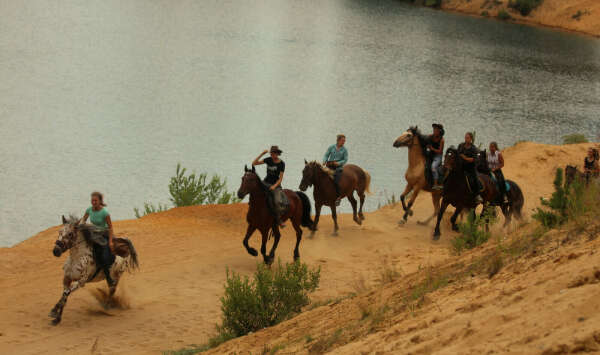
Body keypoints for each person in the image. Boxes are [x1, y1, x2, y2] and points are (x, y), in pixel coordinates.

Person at [80, 192, 116, 286]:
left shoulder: (105, 213)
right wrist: (81, 225)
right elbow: (83, 220)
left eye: (95, 200)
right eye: (92, 200)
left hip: (104, 235)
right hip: (93, 235)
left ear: (100, 201)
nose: (94, 202)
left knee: (103, 257)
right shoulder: (89, 210)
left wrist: (111, 241)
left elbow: (110, 227)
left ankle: (109, 279)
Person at [253, 146, 286, 227]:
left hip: (276, 185)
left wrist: (274, 186)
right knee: (256, 192)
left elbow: (280, 179)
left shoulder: (282, 164)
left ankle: (279, 219)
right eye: (271, 153)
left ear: (277, 154)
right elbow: (254, 163)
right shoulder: (268, 159)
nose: (272, 154)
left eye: (274, 153)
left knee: (277, 201)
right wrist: (262, 154)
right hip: (266, 182)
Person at [323, 134, 348, 206]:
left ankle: (338, 197)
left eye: (344, 141)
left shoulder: (345, 150)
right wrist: (324, 160)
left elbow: (345, 159)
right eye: (342, 140)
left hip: (338, 168)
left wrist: (338, 163)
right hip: (329, 165)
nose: (344, 142)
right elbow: (326, 155)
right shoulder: (331, 147)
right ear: (338, 140)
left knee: (336, 180)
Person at [458, 132, 483, 204]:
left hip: (470, 168)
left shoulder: (473, 148)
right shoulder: (461, 146)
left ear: (471, 139)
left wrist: (464, 157)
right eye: (465, 137)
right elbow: (458, 154)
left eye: (468, 138)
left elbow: (473, 159)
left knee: (474, 179)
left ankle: (477, 195)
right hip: (461, 167)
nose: (466, 139)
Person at [427, 124, 445, 190]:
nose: (434, 131)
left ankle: (436, 184)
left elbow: (440, 151)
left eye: (436, 130)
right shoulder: (430, 136)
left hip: (438, 156)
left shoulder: (442, 140)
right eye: (434, 130)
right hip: (430, 154)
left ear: (439, 131)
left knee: (433, 167)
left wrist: (432, 148)